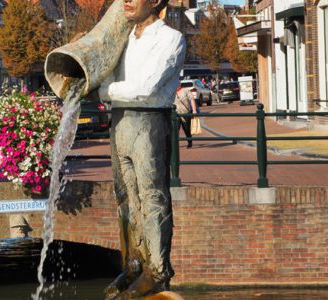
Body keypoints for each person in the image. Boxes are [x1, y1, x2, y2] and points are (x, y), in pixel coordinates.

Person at [98, 0, 186, 298]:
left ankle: (158, 270)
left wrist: (108, 91)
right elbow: (108, 78)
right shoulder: (123, 39)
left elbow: (145, 87)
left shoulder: (170, 38)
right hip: (119, 121)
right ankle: (135, 263)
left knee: (152, 196)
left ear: (156, 2)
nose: (127, 0)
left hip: (150, 121)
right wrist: (112, 90)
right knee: (125, 194)